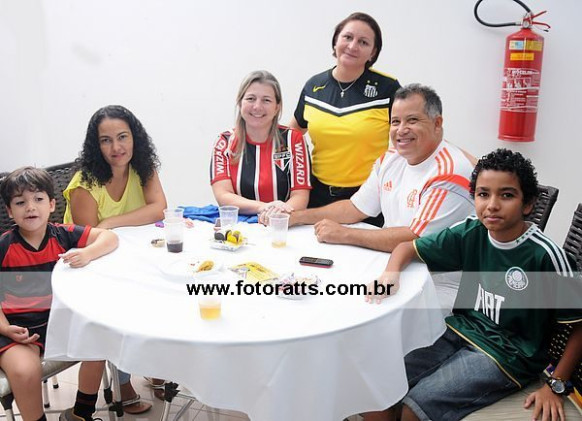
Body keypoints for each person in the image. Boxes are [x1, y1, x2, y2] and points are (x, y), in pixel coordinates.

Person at [364, 149, 582, 421]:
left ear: (527, 204)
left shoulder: (546, 256)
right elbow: (407, 247)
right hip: (460, 330)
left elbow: (579, 324)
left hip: (507, 356)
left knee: (414, 408)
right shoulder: (472, 231)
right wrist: (391, 274)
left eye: (506, 195)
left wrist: (556, 384)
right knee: (378, 388)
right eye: (483, 194)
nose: (492, 205)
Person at [63, 105, 168, 412]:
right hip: (89, 264)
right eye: (106, 140)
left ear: (135, 138)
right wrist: (107, 229)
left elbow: (160, 209)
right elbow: (90, 238)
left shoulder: (143, 168)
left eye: (123, 137)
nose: (116, 147)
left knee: (165, 288)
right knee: (124, 303)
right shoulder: (84, 184)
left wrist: (110, 222)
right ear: (96, 145)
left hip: (130, 256)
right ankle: (123, 383)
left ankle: (156, 366)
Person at [289, 84, 474, 253]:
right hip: (396, 261)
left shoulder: (450, 171)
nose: (401, 130)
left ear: (437, 124)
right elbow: (354, 208)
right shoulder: (390, 158)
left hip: (436, 274)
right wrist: (296, 217)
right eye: (395, 122)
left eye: (412, 120)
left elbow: (416, 238)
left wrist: (344, 234)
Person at [0, 167, 118, 421]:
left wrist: (87, 253)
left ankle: (80, 414)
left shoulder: (63, 234)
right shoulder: (4, 246)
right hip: (17, 330)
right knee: (25, 370)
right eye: (20, 202)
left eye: (38, 199)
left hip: (58, 322)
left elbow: (109, 238)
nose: (30, 207)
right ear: (10, 211)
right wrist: (5, 328)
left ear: (52, 204)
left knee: (99, 343)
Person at [290, 12, 401, 215]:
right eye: (347, 37)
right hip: (317, 194)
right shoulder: (314, 86)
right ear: (335, 42)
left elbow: (410, 132)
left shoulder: (387, 88)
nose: (352, 46)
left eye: (363, 42)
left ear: (373, 53)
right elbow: (292, 133)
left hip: (368, 197)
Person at [211, 70, 311, 223]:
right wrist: (265, 207)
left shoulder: (293, 139)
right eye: (251, 99)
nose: (257, 106)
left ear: (277, 107)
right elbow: (223, 196)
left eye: (266, 100)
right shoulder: (224, 142)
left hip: (282, 224)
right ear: (240, 102)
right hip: (240, 227)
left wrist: (278, 215)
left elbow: (300, 196)